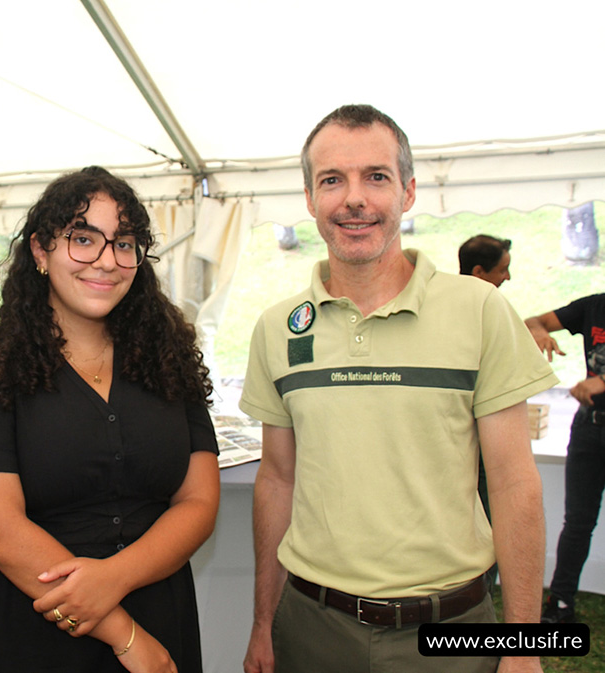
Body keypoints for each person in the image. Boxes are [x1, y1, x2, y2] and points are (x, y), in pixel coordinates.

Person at [239, 104, 557, 673]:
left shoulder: (479, 310)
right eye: (332, 180)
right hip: (313, 629)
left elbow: (513, 483)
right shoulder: (277, 329)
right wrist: (264, 622)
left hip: (453, 632)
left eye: (376, 177)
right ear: (310, 199)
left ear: (408, 192)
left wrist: (523, 645)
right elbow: (277, 480)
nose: (354, 199)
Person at [0, 166, 220, 673]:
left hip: (155, 609)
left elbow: (198, 502)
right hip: (24, 630)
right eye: (83, 239)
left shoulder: (168, 357)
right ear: (41, 251)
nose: (106, 262)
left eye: (124, 243)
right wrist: (125, 636)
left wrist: (116, 578)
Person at [526, 295, 605, 624]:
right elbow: (534, 320)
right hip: (590, 427)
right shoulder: (594, 306)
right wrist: (540, 331)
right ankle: (559, 604)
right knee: (577, 523)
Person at [459, 233, 515, 586]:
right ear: (480, 272)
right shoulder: (480, 314)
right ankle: (480, 587)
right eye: (503, 270)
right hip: (475, 446)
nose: (508, 277)